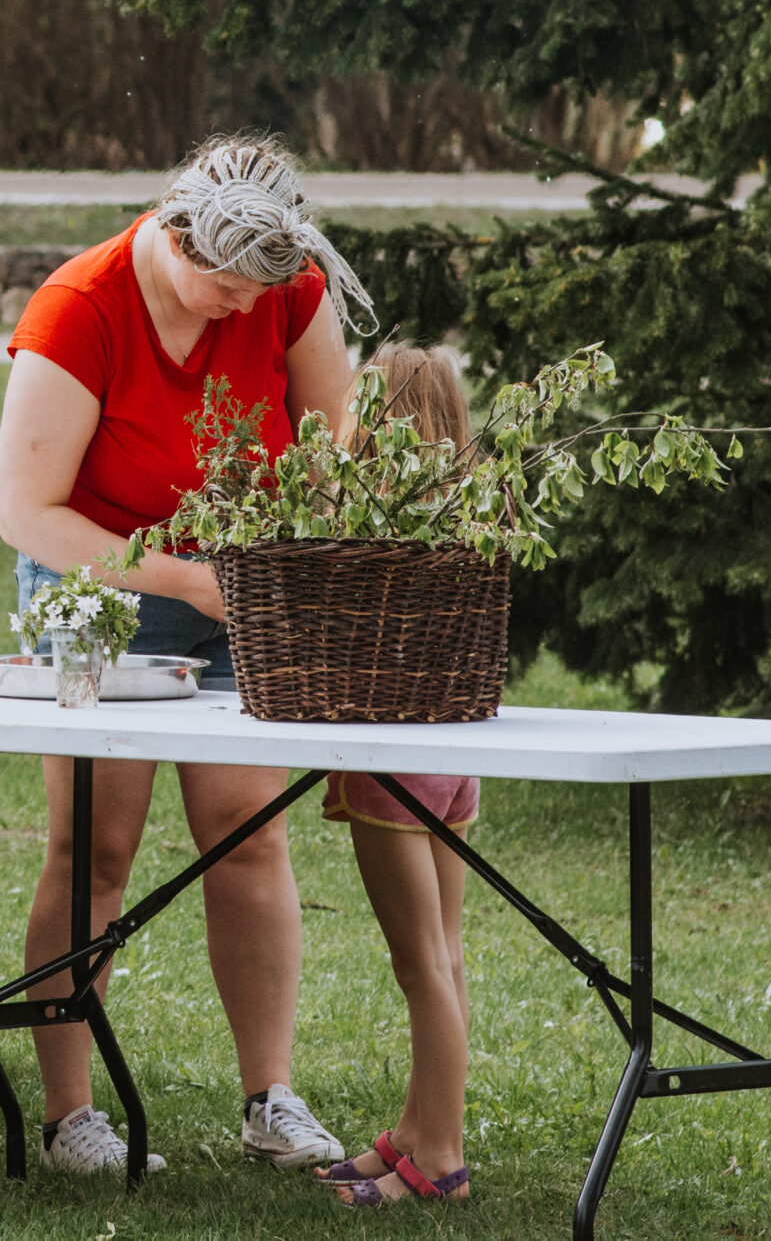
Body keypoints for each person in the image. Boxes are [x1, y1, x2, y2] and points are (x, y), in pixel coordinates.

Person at [0, 135, 368, 1177]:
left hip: (244, 587)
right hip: (107, 591)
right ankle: (70, 1118)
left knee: (247, 835)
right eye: (225, 288)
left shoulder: (282, 289)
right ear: (176, 234)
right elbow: (28, 512)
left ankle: (270, 1097)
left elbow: (331, 445)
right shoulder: (81, 308)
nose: (244, 309)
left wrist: (296, 550)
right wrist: (186, 580)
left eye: (262, 292)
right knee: (94, 850)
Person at [315, 344, 477, 1208]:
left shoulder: (362, 530)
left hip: (391, 769)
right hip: (454, 759)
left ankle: (440, 1159)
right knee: (444, 955)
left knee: (418, 964)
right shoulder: (467, 515)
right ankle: (418, 1130)